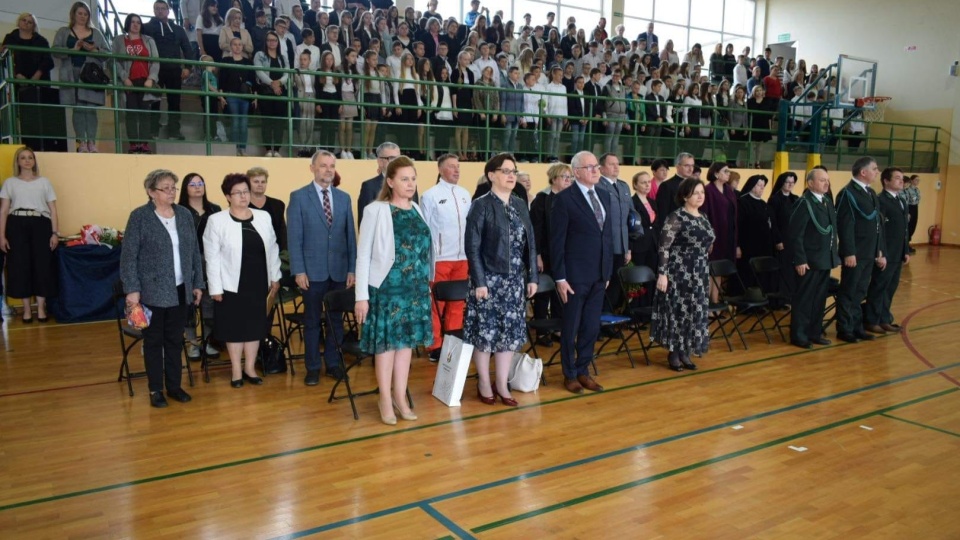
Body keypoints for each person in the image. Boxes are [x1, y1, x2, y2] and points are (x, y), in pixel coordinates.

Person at [354, 156, 432, 425]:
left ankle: (400, 396)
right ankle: (385, 398)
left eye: (413, 178)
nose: (410, 184)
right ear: (390, 181)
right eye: (404, 179)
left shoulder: (417, 209)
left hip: (415, 290)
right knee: (386, 347)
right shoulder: (376, 210)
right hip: (387, 289)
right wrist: (361, 297)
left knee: (406, 346)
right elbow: (363, 256)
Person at [120, 169, 204, 408]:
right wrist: (132, 289)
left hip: (180, 289)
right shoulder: (139, 217)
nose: (171, 192)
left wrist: (197, 283)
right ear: (151, 192)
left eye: (173, 188)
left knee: (175, 341)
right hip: (151, 292)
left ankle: (174, 386)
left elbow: (194, 252)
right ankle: (156, 389)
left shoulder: (185, 214)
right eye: (165, 188)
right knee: (154, 342)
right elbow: (128, 258)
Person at [464, 153, 538, 407]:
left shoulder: (519, 203)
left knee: (509, 336)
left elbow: (531, 242)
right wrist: (480, 281)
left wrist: (532, 276)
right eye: (505, 171)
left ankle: (503, 383)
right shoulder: (481, 204)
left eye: (513, 171)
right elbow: (472, 247)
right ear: (491, 175)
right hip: (488, 281)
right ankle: (484, 382)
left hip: (515, 281)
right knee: (486, 335)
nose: (511, 175)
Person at [203, 174, 282, 387]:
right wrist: (215, 288)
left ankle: (250, 368)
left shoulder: (263, 216)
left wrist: (275, 276)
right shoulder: (216, 220)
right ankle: (237, 370)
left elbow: (273, 248)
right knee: (235, 328)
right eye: (238, 193)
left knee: (255, 327)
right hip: (230, 284)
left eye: (245, 191)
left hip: (258, 281)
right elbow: (211, 257)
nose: (243, 196)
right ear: (228, 196)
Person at [287, 150, 357, 385]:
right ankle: (313, 367)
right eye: (323, 165)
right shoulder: (298, 197)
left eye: (332, 166)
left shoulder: (344, 198)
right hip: (311, 272)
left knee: (336, 320)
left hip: (339, 271)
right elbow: (294, 237)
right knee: (313, 321)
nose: (328, 170)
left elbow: (351, 237)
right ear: (312, 168)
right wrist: (298, 270)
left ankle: (334, 364)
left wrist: (352, 269)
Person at [550, 151, 613, 394]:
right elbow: (557, 242)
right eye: (590, 167)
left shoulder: (605, 197)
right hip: (574, 276)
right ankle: (570, 374)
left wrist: (606, 271)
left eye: (597, 166)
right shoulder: (564, 200)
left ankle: (584, 369)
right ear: (576, 172)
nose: (596, 170)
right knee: (571, 326)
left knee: (590, 326)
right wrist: (560, 277)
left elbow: (606, 236)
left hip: (599, 274)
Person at [652, 178, 715, 371]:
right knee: (679, 312)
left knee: (695, 312)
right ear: (685, 195)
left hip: (699, 272)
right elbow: (663, 248)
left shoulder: (703, 216)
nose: (700, 196)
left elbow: (707, 241)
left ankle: (686, 351)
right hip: (679, 272)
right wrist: (662, 274)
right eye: (696, 193)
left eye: (702, 193)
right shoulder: (676, 217)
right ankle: (674, 353)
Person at [420, 154, 471, 361]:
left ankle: (453, 341)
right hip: (440, 258)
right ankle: (434, 345)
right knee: (436, 304)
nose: (457, 170)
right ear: (440, 170)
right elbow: (424, 228)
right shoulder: (429, 195)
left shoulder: (465, 194)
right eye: (452, 167)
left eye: (458, 166)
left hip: (463, 257)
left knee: (457, 302)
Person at [0, 147, 59, 323]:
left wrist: (55, 233)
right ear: (18, 161)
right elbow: (3, 211)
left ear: (34, 161)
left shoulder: (44, 182)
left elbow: (53, 210)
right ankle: (26, 309)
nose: (27, 161)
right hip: (16, 224)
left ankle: (41, 308)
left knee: (42, 265)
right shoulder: (10, 183)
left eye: (30, 158)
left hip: (41, 224)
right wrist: (1, 235)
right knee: (20, 265)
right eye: (23, 158)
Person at [835, 156, 885, 343]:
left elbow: (877, 225)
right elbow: (845, 225)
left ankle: (857, 327)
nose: (877, 172)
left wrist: (878, 250)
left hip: (868, 252)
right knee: (849, 291)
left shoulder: (870, 193)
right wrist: (849, 252)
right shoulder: (847, 193)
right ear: (863, 172)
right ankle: (845, 328)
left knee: (860, 291)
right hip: (855, 253)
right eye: (874, 168)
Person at [788, 167, 839, 349]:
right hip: (809, 261)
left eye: (827, 180)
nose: (826, 183)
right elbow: (795, 234)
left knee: (819, 299)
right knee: (805, 299)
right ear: (810, 183)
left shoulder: (825, 201)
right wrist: (800, 259)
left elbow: (831, 230)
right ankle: (799, 335)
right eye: (822, 180)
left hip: (823, 259)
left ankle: (814, 332)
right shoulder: (804, 203)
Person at [52, 2, 110, 153]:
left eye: (85, 14)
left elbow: (108, 54)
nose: (83, 16)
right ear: (73, 14)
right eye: (80, 13)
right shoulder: (64, 31)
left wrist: (94, 50)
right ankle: (81, 142)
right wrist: (73, 49)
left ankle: (92, 142)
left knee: (91, 109)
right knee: (77, 109)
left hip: (90, 75)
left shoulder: (96, 32)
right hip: (71, 74)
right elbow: (55, 50)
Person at [177, 172, 222, 359]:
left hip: (211, 262)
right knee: (189, 304)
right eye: (192, 184)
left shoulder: (215, 209)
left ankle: (207, 341)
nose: (197, 187)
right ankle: (193, 343)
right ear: (185, 188)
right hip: (187, 263)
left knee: (210, 304)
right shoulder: (179, 210)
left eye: (200, 183)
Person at [2, 13, 58, 152]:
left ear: (34, 26)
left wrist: (36, 76)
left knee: (39, 116)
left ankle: (41, 147)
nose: (26, 23)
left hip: (39, 84)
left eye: (30, 22)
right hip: (17, 83)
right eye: (24, 20)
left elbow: (48, 61)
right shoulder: (10, 39)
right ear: (18, 22)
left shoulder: (41, 40)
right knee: (20, 115)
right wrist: (17, 75)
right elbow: (5, 59)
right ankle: (24, 147)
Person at [529, 163, 573, 345]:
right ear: (554, 178)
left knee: (560, 291)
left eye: (570, 177)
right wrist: (537, 255)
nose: (568, 181)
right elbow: (536, 230)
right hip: (546, 253)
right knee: (543, 293)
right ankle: (542, 331)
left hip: (564, 253)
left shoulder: (570, 198)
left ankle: (557, 327)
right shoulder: (542, 199)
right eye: (564, 177)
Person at [863, 168, 911, 334]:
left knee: (890, 287)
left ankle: (884, 318)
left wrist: (906, 250)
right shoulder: (880, 200)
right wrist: (880, 253)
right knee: (878, 287)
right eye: (897, 178)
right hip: (885, 253)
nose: (901, 181)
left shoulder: (902, 201)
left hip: (897, 253)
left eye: (902, 178)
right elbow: (878, 229)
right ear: (886, 181)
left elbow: (904, 229)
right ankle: (871, 320)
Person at [142, 0, 193, 141]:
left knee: (174, 102)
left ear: (168, 10)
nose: (160, 11)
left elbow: (187, 49)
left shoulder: (178, 29)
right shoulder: (145, 28)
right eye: (157, 8)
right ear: (153, 10)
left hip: (174, 70)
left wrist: (188, 68)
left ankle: (174, 131)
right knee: (154, 101)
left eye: (163, 8)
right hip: (154, 71)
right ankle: (153, 131)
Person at [112, 14, 160, 155]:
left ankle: (144, 144)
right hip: (129, 82)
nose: (135, 25)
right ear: (128, 24)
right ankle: (133, 144)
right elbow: (114, 61)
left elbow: (155, 61)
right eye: (132, 22)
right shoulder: (119, 40)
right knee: (131, 114)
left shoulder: (149, 40)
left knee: (145, 113)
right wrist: (124, 78)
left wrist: (151, 78)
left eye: (138, 22)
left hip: (145, 81)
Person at [596, 153, 633, 312]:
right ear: (602, 167)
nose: (616, 167)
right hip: (605, 246)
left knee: (617, 285)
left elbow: (630, 218)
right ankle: (599, 321)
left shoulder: (624, 186)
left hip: (621, 245)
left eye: (618, 164)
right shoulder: (597, 185)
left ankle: (609, 319)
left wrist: (628, 247)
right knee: (604, 284)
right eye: (611, 164)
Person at [737, 174, 780, 289]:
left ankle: (761, 301)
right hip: (749, 247)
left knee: (763, 277)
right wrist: (737, 246)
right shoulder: (742, 202)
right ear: (751, 186)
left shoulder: (763, 204)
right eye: (759, 185)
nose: (762, 188)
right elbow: (738, 226)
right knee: (749, 275)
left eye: (763, 185)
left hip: (764, 247)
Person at [358, 142, 419, 223]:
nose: (397, 163)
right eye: (392, 159)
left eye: (399, 158)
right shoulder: (369, 186)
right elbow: (364, 222)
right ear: (380, 161)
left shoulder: (410, 185)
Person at [218, 37, 256, 156]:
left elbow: (252, 80)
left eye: (240, 44)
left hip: (245, 96)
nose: (237, 47)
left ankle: (242, 149)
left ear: (243, 47)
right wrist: (221, 95)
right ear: (231, 46)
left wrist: (255, 95)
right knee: (235, 121)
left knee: (243, 123)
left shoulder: (248, 62)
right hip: (231, 94)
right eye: (235, 44)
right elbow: (222, 79)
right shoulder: (225, 60)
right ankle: (234, 149)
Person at [254, 30, 289, 157]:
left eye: (274, 40)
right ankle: (268, 149)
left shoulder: (283, 57)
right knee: (267, 121)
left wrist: (278, 83)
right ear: (265, 42)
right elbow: (259, 71)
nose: (272, 42)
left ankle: (277, 150)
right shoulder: (259, 55)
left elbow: (287, 73)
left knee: (279, 122)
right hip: (266, 91)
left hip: (280, 91)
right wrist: (271, 83)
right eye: (269, 40)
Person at [767, 172, 799, 299]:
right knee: (780, 270)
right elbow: (772, 222)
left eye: (792, 182)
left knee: (790, 270)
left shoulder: (795, 199)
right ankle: (777, 300)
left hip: (792, 241)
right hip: (780, 240)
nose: (790, 184)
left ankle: (788, 297)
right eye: (788, 182)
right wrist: (778, 240)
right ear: (782, 183)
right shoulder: (774, 199)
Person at [246, 167, 287, 252]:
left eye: (263, 182)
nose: (260, 184)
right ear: (248, 183)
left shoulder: (277, 204)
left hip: (274, 253)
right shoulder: (243, 204)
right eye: (256, 182)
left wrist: (284, 253)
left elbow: (282, 232)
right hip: (249, 252)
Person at [655, 152, 695, 230]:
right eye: (687, 166)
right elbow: (662, 213)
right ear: (677, 166)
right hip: (674, 230)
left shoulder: (695, 185)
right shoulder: (666, 186)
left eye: (692, 166)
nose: (690, 169)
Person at [629, 171, 658, 272]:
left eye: (649, 182)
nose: (647, 185)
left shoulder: (653, 202)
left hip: (653, 244)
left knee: (652, 275)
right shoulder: (631, 202)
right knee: (639, 276)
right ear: (635, 185)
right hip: (638, 245)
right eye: (643, 182)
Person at [902, 174, 920, 252]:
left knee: (913, 226)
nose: (918, 182)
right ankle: (904, 245)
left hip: (915, 207)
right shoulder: (906, 190)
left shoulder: (917, 190)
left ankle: (907, 244)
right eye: (916, 180)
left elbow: (917, 200)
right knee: (907, 227)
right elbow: (907, 202)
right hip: (908, 208)